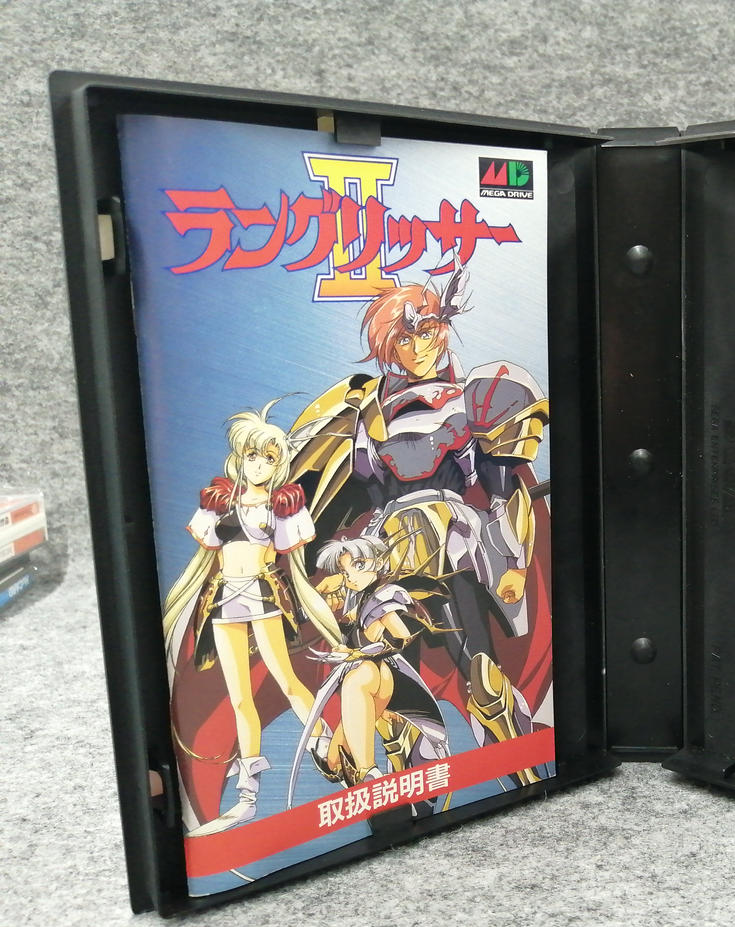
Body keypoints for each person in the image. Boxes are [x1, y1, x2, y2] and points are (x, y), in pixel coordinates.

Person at [287, 261, 552, 778]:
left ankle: (523, 772)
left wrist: (514, 562)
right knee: (381, 682)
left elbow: (503, 489)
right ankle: (389, 775)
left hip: (453, 540)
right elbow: (358, 495)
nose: (417, 348)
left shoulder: (478, 396)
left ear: (443, 329)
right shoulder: (366, 411)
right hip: (385, 549)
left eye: (426, 332)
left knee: (482, 678)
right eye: (404, 339)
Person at [163, 401, 342, 835]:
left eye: (268, 458)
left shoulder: (283, 504)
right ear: (240, 456)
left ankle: (323, 740)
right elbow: (207, 550)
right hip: (225, 597)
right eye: (252, 456)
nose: (259, 465)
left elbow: (289, 555)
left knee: (285, 680)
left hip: (262, 594)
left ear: (278, 465)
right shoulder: (220, 500)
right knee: (240, 697)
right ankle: (247, 796)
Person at [286, 534, 450, 798]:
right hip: (373, 678)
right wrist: (322, 594)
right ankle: (337, 762)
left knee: (359, 677)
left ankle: (367, 772)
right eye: (345, 571)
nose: (351, 576)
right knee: (341, 747)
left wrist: (357, 653)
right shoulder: (361, 600)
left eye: (358, 565)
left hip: (382, 674)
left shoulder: (382, 597)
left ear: (379, 561)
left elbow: (401, 636)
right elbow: (322, 621)